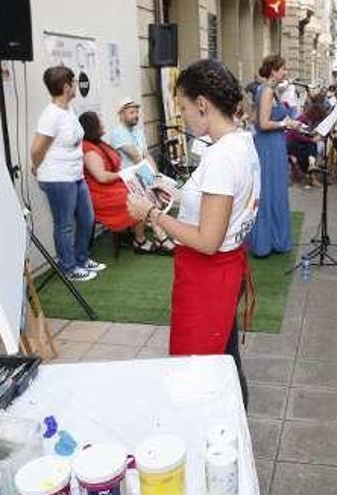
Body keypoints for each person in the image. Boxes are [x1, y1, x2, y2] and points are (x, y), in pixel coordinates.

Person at [126, 59, 260, 405]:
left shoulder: (221, 158)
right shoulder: (242, 142)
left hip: (208, 275)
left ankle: (214, 434)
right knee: (223, 353)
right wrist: (175, 190)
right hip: (224, 269)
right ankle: (229, 426)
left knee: (200, 367)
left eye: (183, 107)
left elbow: (207, 240)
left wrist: (152, 213)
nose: (182, 115)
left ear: (202, 104)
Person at [30, 66, 106, 282]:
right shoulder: (51, 116)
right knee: (64, 225)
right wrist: (37, 168)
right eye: (73, 82)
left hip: (75, 175)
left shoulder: (68, 110)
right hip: (58, 179)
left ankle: (81, 259)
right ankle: (69, 268)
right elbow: (36, 149)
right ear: (66, 87)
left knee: (87, 218)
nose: (76, 85)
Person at [78, 111, 170, 255]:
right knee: (138, 197)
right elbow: (101, 177)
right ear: (92, 126)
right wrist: (122, 174)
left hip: (113, 187)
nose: (102, 123)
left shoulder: (99, 143)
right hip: (101, 194)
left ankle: (158, 237)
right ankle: (142, 240)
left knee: (144, 191)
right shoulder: (88, 148)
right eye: (99, 121)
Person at [248, 54, 298, 257]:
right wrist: (285, 123)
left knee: (272, 191)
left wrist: (284, 121)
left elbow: (254, 118)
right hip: (269, 146)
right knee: (270, 191)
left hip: (272, 144)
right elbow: (263, 123)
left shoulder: (267, 89)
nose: (285, 72)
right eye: (283, 68)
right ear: (273, 71)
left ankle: (271, 240)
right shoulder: (268, 90)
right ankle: (266, 242)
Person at [287, 94, 327, 188]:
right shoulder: (303, 119)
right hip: (293, 144)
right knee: (312, 144)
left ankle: (311, 169)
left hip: (296, 143)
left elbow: (304, 133)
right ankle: (312, 173)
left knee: (312, 145)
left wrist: (312, 136)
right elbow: (295, 134)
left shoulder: (307, 119)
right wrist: (310, 139)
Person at [108, 98, 158, 170]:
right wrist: (151, 178)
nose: (136, 115)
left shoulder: (138, 132)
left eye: (137, 112)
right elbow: (136, 157)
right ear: (121, 115)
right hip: (128, 176)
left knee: (169, 181)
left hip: (141, 172)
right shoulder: (118, 133)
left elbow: (146, 155)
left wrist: (157, 175)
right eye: (132, 113)